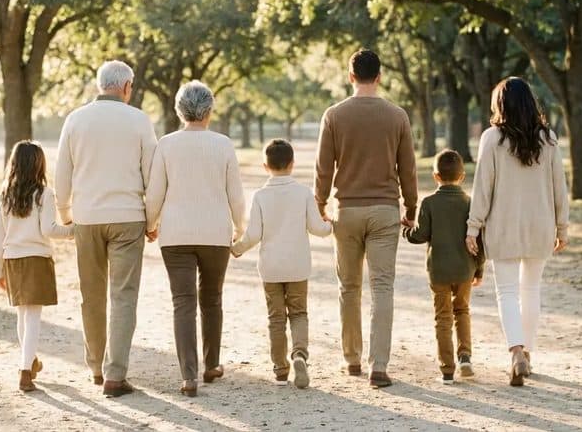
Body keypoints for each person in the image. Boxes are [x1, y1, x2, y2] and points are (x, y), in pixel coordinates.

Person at [315, 49, 418, 388]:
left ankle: (352, 358)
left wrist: (320, 203)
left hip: (347, 211)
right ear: (380, 76)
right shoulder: (397, 116)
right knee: (383, 287)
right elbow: (408, 168)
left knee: (349, 287)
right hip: (385, 210)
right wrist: (411, 207)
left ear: (350, 76)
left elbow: (323, 168)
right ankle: (380, 365)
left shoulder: (333, 115)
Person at [54, 60, 157, 397]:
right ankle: (115, 375)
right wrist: (152, 220)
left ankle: (96, 367)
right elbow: (152, 176)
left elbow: (62, 174)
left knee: (92, 295)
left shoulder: (75, 119)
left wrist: (65, 213)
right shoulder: (139, 120)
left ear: (100, 85)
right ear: (126, 86)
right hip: (128, 217)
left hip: (87, 217)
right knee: (123, 296)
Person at [465, 77, 570, 387]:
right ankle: (528, 352)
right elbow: (559, 187)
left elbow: (483, 188)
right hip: (540, 225)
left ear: (500, 105)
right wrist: (562, 226)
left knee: (507, 291)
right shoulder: (548, 139)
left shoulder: (492, 139)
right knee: (531, 290)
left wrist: (473, 227)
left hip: (504, 225)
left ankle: (515, 352)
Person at [145, 81, 246, 397]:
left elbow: (155, 192)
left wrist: (150, 223)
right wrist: (241, 228)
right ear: (210, 110)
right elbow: (236, 195)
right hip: (215, 232)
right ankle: (212, 364)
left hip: (176, 234)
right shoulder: (223, 144)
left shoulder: (166, 144)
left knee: (183, 302)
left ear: (179, 110)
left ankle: (189, 376)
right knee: (212, 297)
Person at [232, 139, 333, 389]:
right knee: (298, 313)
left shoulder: (260, 196)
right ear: (292, 164)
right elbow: (318, 229)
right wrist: (331, 223)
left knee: (276, 318)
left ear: (266, 166)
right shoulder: (303, 193)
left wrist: (236, 249)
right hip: (298, 267)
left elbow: (253, 234)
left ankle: (280, 370)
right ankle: (299, 354)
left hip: (271, 269)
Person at [0, 141, 76, 392]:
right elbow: (48, 230)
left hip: (13, 260)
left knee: (22, 315)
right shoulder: (44, 194)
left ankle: (29, 361)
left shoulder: (5, 194)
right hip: (37, 258)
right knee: (33, 317)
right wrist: (75, 230)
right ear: (39, 164)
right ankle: (25, 371)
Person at [404, 149, 485, 385]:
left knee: (442, 317)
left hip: (438, 270)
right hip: (464, 269)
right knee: (462, 310)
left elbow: (420, 235)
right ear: (462, 177)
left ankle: (447, 370)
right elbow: (479, 240)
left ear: (436, 177)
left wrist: (406, 230)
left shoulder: (429, 203)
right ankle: (465, 356)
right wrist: (479, 269)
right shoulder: (470, 203)